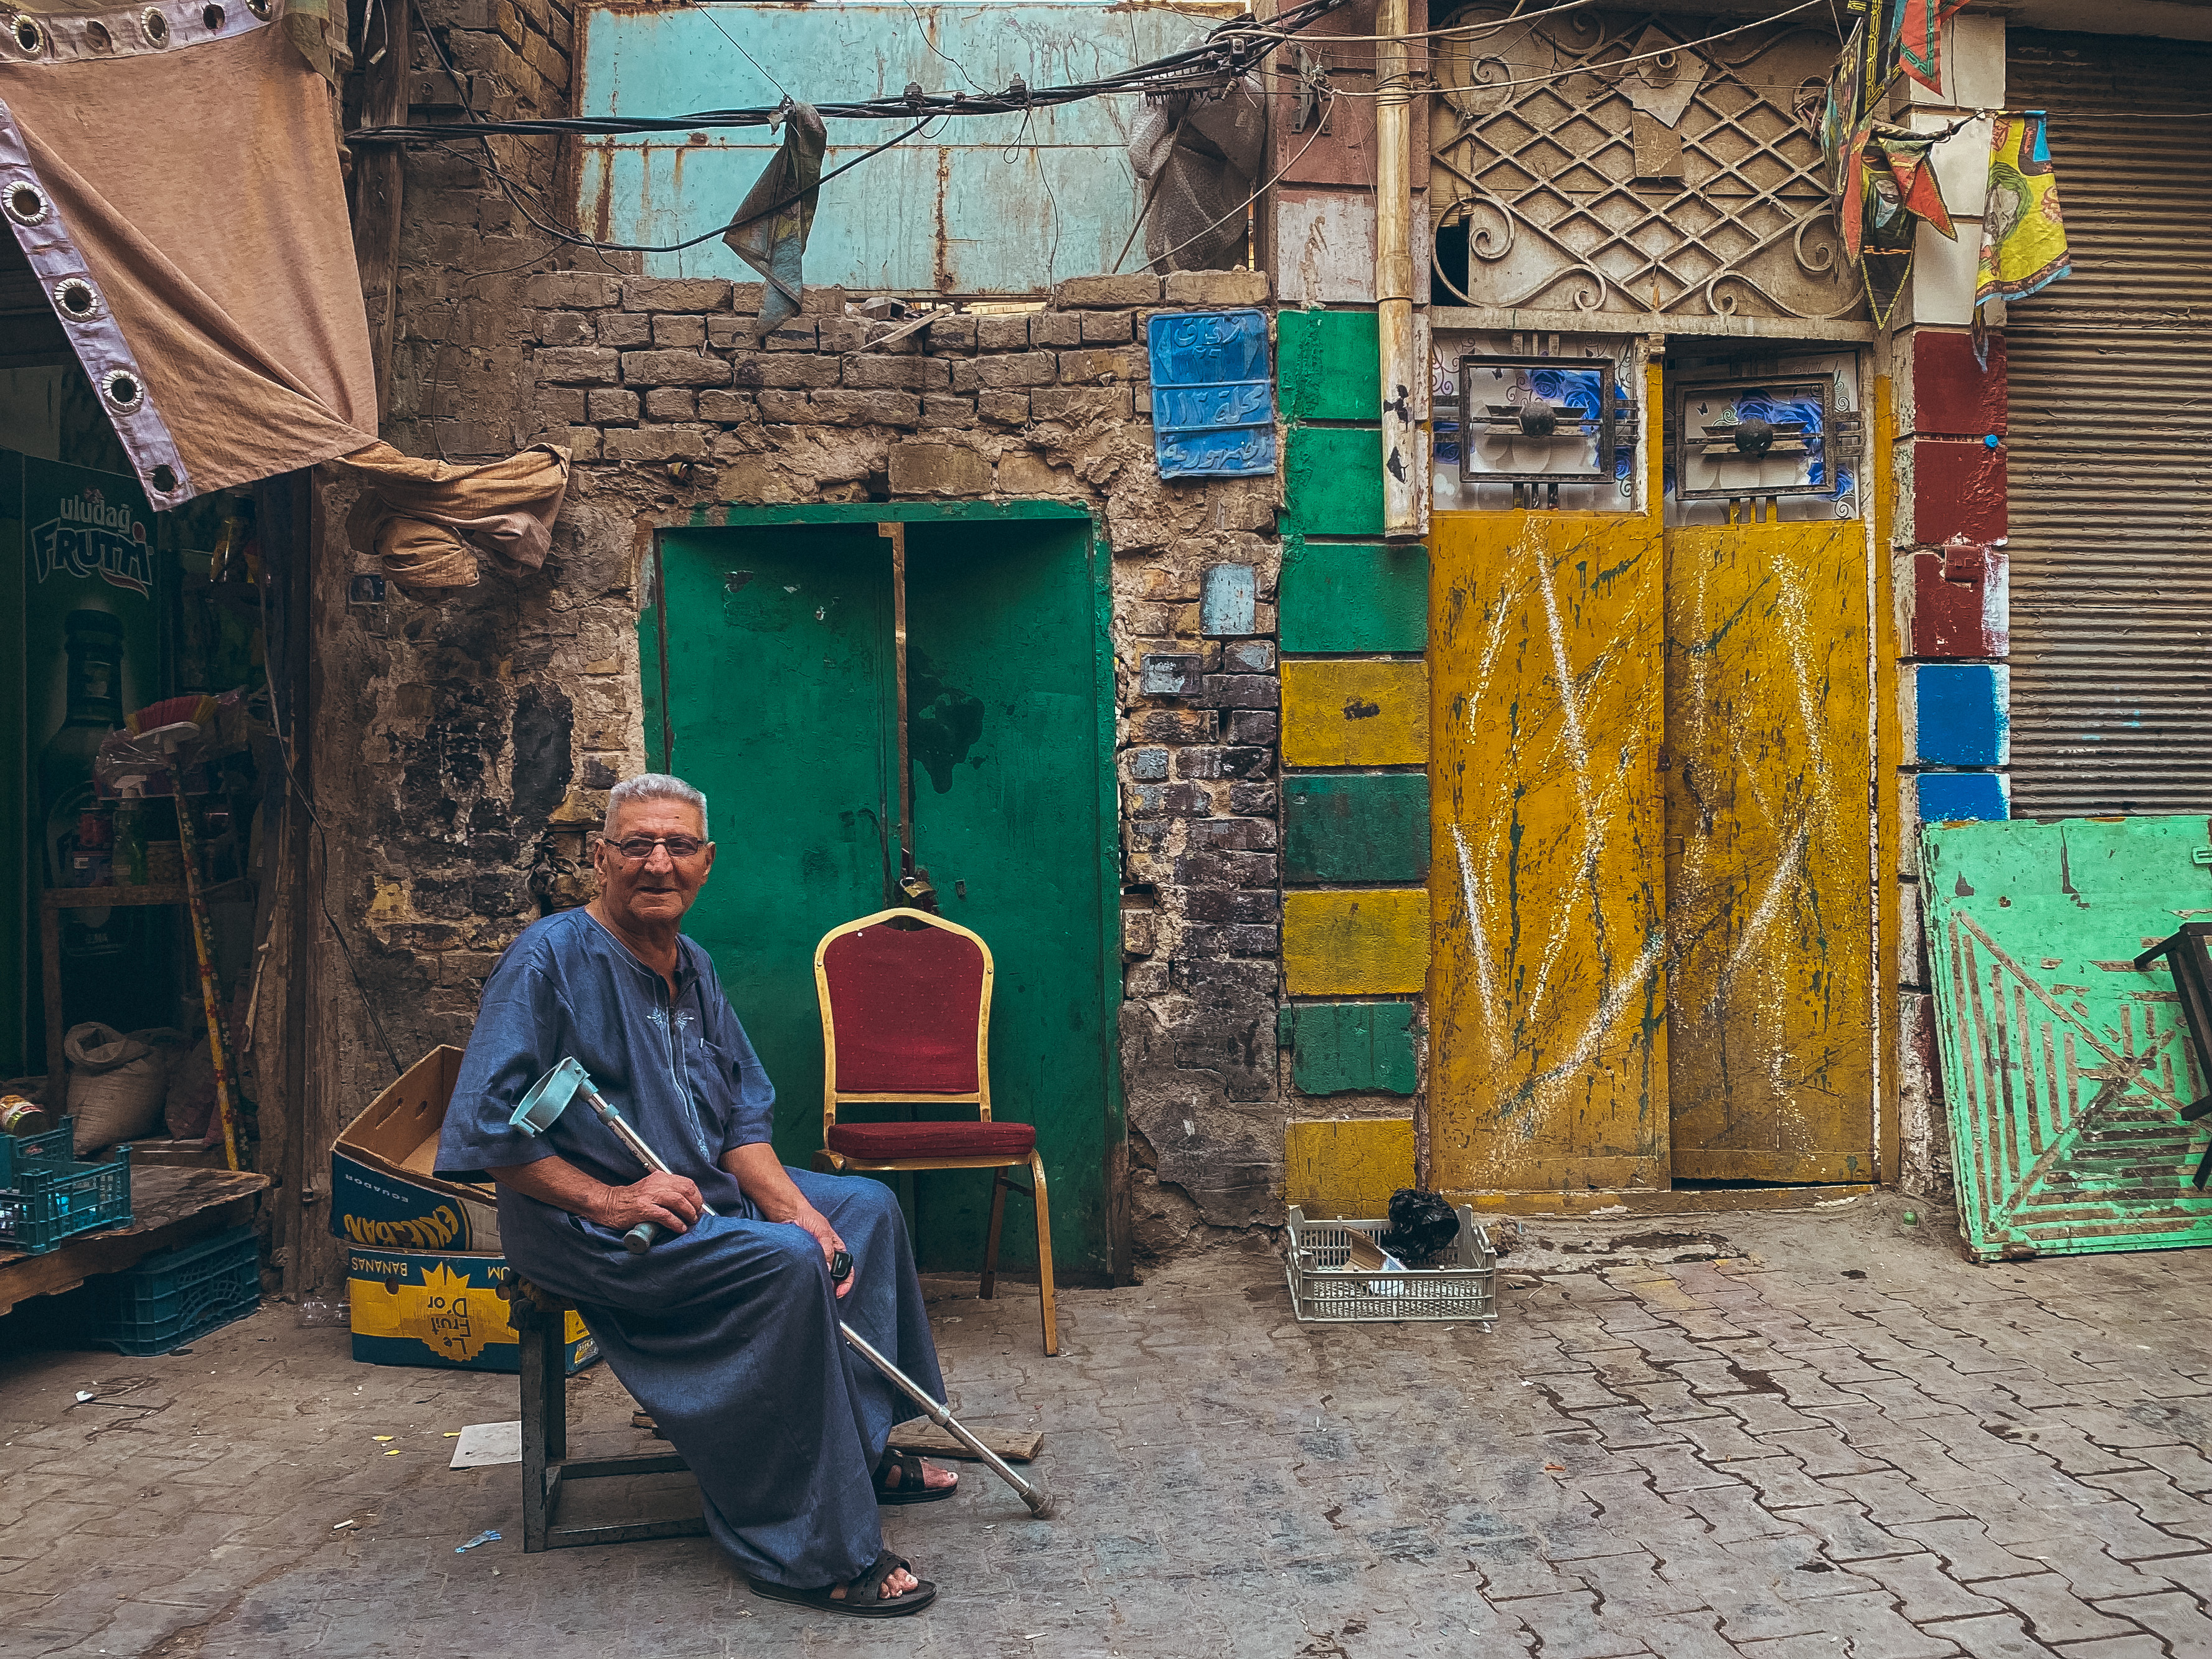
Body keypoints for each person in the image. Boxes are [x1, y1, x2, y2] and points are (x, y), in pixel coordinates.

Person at [435, 773, 953, 1617]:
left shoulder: (694, 966)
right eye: (636, 844)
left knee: (864, 1211)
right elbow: (489, 1133)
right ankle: (811, 1540)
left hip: (701, 1197)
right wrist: (609, 1200)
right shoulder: (548, 960)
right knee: (786, 1263)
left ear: (706, 863)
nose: (657, 863)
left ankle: (854, 1452)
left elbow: (742, 1122)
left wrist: (802, 1209)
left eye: (677, 845)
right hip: (588, 1228)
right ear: (600, 859)